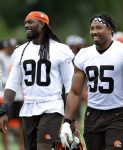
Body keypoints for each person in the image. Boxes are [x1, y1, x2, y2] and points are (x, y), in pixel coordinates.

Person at [60, 13, 123, 150]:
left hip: (117, 115)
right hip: (92, 115)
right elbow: (75, 92)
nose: (94, 32)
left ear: (110, 29)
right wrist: (67, 122)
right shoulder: (83, 54)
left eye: (99, 28)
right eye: (92, 28)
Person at [0, 11, 74, 150]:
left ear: (42, 24)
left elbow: (69, 85)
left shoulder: (61, 50)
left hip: (52, 106)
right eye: (25, 23)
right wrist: (4, 109)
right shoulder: (20, 51)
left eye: (30, 22)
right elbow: (12, 83)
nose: (26, 25)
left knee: (43, 147)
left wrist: (70, 119)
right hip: (28, 107)